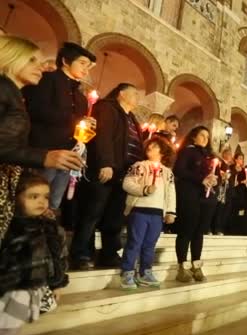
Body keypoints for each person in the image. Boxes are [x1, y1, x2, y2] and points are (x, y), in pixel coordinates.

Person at [0, 36, 83, 239]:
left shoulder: (13, 94)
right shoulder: (3, 90)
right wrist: (44, 157)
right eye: (32, 60)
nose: (42, 66)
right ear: (11, 58)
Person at [70, 83, 145, 270]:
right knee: (92, 213)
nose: (138, 97)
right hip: (106, 169)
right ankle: (80, 253)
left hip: (123, 175)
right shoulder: (106, 108)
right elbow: (103, 136)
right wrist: (106, 163)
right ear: (121, 93)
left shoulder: (131, 118)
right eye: (134, 93)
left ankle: (109, 254)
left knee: (114, 217)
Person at [22, 42, 96, 215]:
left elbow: (78, 125)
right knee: (33, 199)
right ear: (65, 61)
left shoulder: (81, 96)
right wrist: (75, 119)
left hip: (68, 155)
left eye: (89, 66)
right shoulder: (47, 79)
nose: (86, 69)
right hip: (44, 151)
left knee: (53, 203)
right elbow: (36, 110)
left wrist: (86, 127)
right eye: (83, 63)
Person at [0, 172, 69, 335]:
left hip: (28, 290)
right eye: (33, 196)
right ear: (15, 198)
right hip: (7, 289)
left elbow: (58, 257)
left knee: (10, 329)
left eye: (46, 196)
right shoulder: (7, 225)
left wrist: (57, 284)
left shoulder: (51, 228)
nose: (42, 201)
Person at [120, 137, 176, 289]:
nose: (150, 147)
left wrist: (170, 212)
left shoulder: (167, 172)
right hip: (140, 210)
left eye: (155, 145)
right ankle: (127, 272)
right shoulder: (139, 166)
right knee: (134, 242)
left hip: (157, 213)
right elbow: (127, 183)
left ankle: (145, 272)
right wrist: (143, 190)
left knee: (150, 245)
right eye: (149, 145)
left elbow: (171, 192)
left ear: (163, 151)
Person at [173, 126, 218, 283]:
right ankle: (182, 267)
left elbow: (207, 176)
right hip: (189, 195)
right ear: (193, 137)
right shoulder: (187, 151)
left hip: (203, 199)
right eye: (202, 135)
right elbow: (179, 170)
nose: (206, 138)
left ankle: (196, 265)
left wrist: (213, 180)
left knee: (199, 232)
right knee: (186, 230)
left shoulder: (207, 156)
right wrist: (201, 179)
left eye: (207, 136)